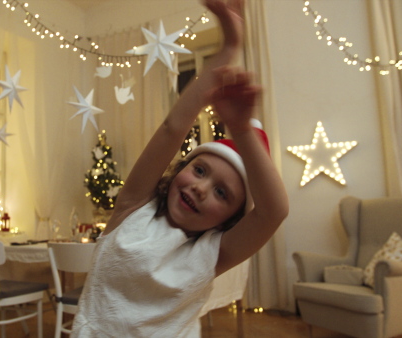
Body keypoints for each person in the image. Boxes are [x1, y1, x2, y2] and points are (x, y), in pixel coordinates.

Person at [71, 0, 289, 336]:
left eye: (221, 193)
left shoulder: (213, 253)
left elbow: (273, 212)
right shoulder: (132, 209)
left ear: (228, 218)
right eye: (200, 171)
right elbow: (174, 127)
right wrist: (228, 47)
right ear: (180, 169)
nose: (200, 188)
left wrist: (242, 129)